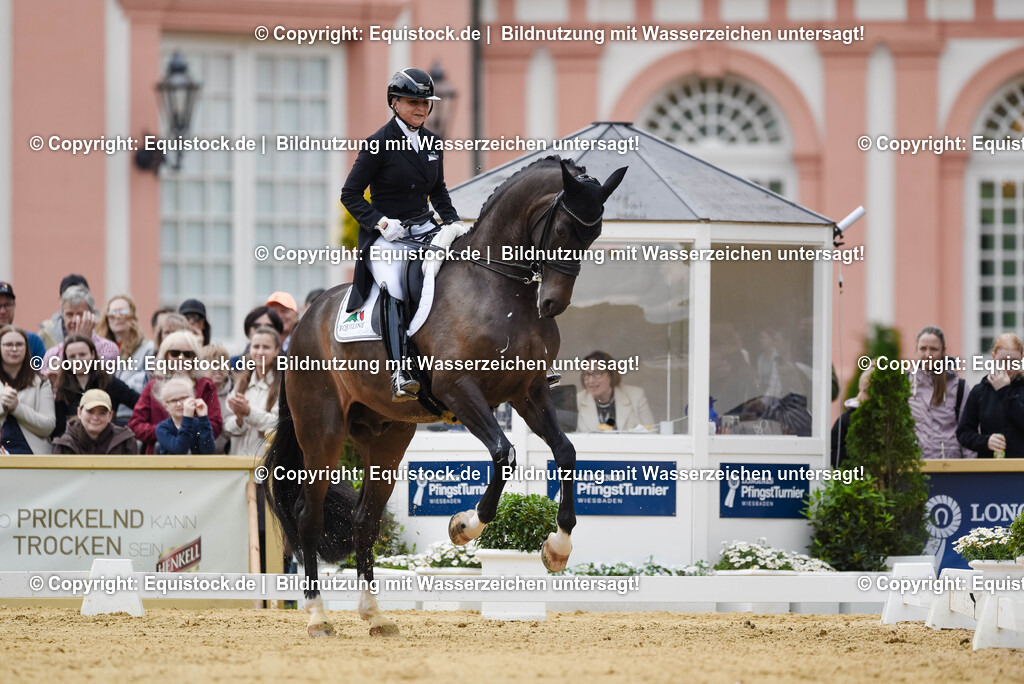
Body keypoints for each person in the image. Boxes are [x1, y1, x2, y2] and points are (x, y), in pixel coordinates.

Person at [340, 67, 461, 401]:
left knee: (464, 265)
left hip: (425, 226)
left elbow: (438, 190)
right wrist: (380, 222)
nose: (421, 108)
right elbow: (350, 195)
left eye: (426, 102)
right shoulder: (377, 144)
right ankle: (400, 369)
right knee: (393, 283)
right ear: (394, 102)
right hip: (388, 235)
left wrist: (452, 222)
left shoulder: (433, 143)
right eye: (413, 102)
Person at [129, 331, 223, 454]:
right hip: (158, 458)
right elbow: (135, 425)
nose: (181, 358)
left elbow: (215, 425)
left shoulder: (206, 385)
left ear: (195, 358)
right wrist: (166, 432)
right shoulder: (153, 386)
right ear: (165, 356)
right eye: (174, 353)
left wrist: (187, 429)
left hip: (197, 458)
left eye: (187, 354)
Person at [51, 335, 140, 439]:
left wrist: (125, 430)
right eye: (72, 356)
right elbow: (58, 429)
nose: (77, 360)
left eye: (82, 354)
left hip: (108, 445)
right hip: (75, 447)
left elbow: (140, 404)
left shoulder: (109, 383)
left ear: (92, 355)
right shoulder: (62, 389)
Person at [909, 326, 973, 459]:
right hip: (913, 468)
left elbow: (967, 431)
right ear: (916, 350)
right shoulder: (904, 384)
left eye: (934, 349)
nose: (927, 355)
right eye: (923, 348)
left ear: (943, 351)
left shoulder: (959, 387)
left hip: (949, 468)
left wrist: (972, 472)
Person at [957, 333, 1024, 458]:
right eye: (1003, 361)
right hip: (989, 469)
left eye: (1014, 361)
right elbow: (963, 433)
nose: (1008, 367)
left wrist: (1004, 391)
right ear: (993, 357)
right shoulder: (980, 391)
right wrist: (986, 441)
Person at [97, 294, 155, 425]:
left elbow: (145, 385)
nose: (117, 316)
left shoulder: (147, 349)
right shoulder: (98, 349)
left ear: (133, 316)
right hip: (100, 416)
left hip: (132, 416)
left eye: (122, 312)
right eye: (112, 313)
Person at [224, 327, 281, 456]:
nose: (260, 352)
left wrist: (248, 412)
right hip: (237, 465)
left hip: (264, 466)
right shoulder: (241, 383)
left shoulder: (283, 386)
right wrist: (238, 420)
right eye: (256, 346)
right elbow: (225, 426)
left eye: (266, 347)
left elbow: (278, 424)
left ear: (277, 351)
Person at [0, 325, 55, 454]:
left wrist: (17, 408)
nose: (14, 349)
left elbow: (48, 426)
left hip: (32, 456)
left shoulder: (41, 382)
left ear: (26, 348)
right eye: (8, 344)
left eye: (19, 344)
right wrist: (4, 405)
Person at [41, 284, 120, 371]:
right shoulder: (53, 354)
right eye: (69, 314)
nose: (75, 320)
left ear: (92, 314)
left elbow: (101, 379)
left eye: (80, 314)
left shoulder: (108, 348)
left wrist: (83, 340)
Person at [576, 351, 654, 432]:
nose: (591, 380)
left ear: (611, 374)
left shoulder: (636, 396)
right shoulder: (577, 401)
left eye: (597, 373)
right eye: (587, 374)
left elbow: (652, 433)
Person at [51, 389, 138, 454]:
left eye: (102, 413)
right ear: (79, 412)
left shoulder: (126, 442)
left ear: (110, 416)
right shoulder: (64, 445)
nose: (95, 417)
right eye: (90, 411)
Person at [154, 376, 215, 455]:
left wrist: (204, 419)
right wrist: (187, 419)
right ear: (166, 406)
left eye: (184, 398)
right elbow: (179, 450)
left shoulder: (199, 424)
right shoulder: (162, 428)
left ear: (193, 398)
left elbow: (208, 451)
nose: (179, 404)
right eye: (173, 400)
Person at [831, 365, 872, 468]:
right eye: (866, 391)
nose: (870, 397)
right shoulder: (846, 420)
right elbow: (833, 452)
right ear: (859, 389)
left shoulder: (888, 420)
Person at [39, 273, 89, 349]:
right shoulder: (46, 333)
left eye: (80, 295)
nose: (74, 300)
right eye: (68, 295)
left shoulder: (102, 327)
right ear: (60, 300)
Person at [199, 342, 233, 453]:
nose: (219, 369)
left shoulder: (236, 392)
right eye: (213, 364)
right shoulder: (197, 393)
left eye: (223, 364)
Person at [0, 282, 45, 363]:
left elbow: (42, 373)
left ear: (14, 306)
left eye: (7, 305)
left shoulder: (33, 341)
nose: (3, 311)